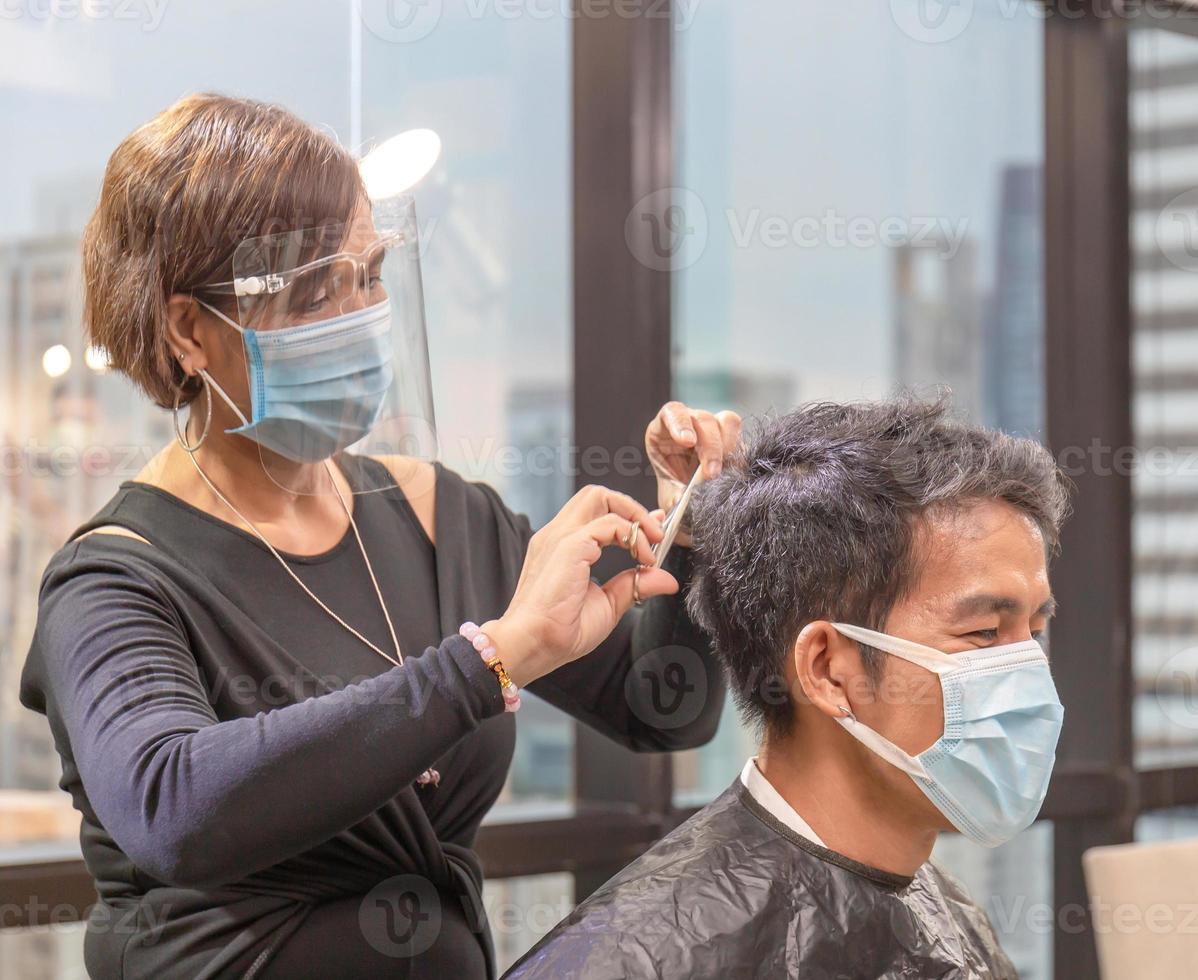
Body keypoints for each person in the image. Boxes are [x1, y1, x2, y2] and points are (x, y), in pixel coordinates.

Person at [18, 93, 738, 979]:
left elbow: (662, 708)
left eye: (371, 276)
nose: (361, 316)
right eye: (320, 289)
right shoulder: (116, 580)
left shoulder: (445, 517)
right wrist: (490, 662)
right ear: (189, 331)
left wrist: (691, 526)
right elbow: (177, 808)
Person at [506, 398, 1069, 979]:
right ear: (827, 669)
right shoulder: (634, 961)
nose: (1025, 671)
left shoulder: (941, 902)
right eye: (982, 632)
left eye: (1035, 631)